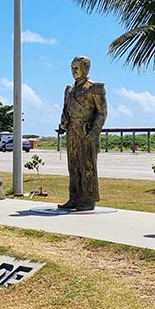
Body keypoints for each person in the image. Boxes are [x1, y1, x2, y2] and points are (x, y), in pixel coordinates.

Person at [58, 56, 107, 211]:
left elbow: (102, 112)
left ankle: (88, 199)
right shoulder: (69, 90)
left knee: (87, 166)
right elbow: (65, 110)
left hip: (86, 132)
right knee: (73, 166)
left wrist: (93, 133)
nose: (74, 71)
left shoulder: (95, 88)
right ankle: (74, 197)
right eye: (72, 67)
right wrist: (63, 121)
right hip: (72, 131)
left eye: (77, 68)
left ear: (86, 68)